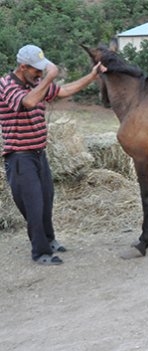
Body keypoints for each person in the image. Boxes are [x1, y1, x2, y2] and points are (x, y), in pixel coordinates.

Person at [0, 44, 106, 265]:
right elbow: (28, 102)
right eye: (36, 70)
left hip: (39, 154)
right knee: (34, 205)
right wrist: (50, 76)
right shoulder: (6, 85)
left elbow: (65, 90)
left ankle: (49, 239)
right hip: (20, 157)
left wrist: (92, 75)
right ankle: (40, 252)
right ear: (23, 67)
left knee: (46, 201)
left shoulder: (36, 83)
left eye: (42, 70)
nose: (40, 74)